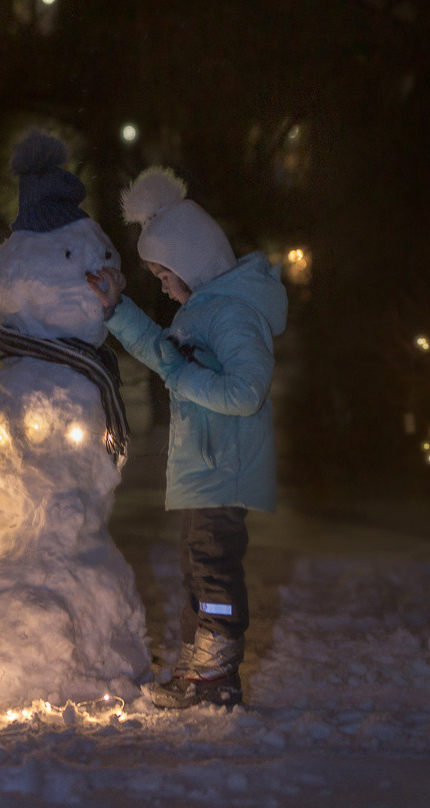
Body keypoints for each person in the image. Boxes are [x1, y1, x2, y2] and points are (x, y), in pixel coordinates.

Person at [86, 166, 288, 709]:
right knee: (197, 564)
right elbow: (162, 354)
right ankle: (200, 664)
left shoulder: (232, 314)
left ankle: (218, 662)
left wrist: (182, 377)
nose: (162, 284)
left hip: (226, 467)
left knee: (213, 563)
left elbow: (246, 390)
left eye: (163, 273)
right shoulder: (202, 312)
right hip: (206, 467)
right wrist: (115, 308)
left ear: (191, 263)